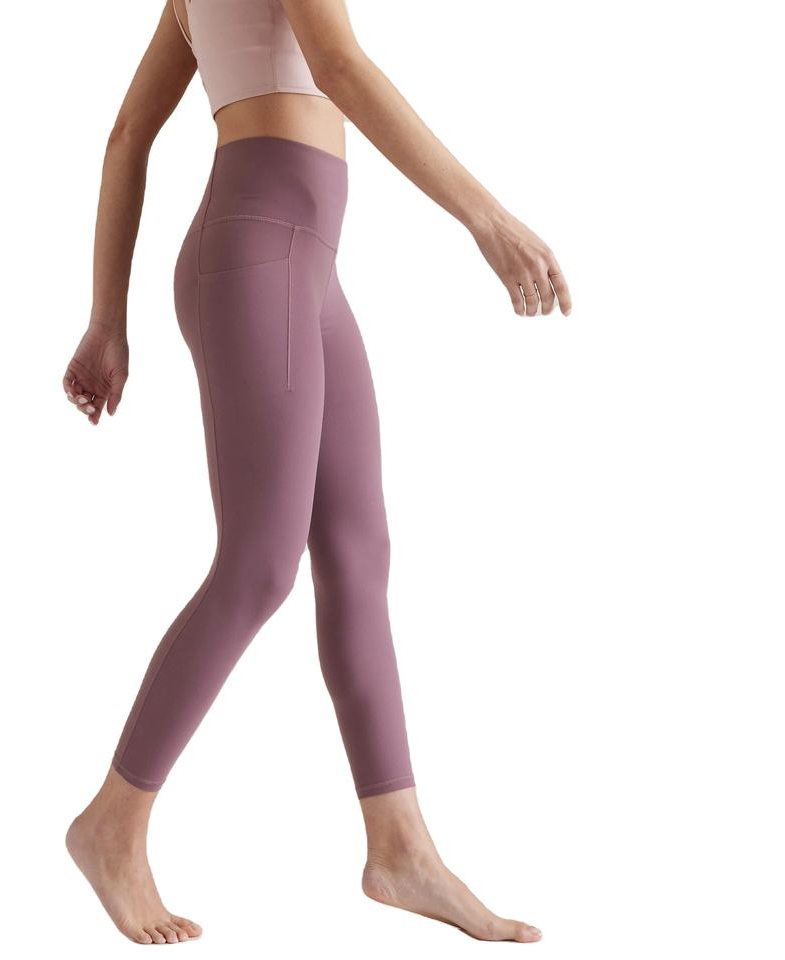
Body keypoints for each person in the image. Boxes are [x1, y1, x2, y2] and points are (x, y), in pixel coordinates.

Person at [63, 0, 570, 946]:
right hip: (261, 250)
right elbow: (338, 65)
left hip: (298, 262)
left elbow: (130, 131)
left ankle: (400, 848)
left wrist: (108, 318)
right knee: (259, 564)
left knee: (355, 550)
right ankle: (112, 824)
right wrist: (486, 218)